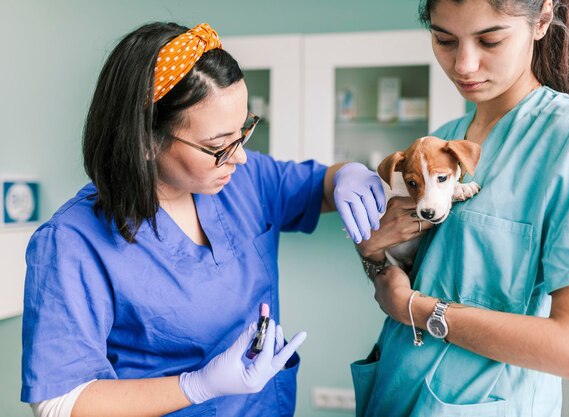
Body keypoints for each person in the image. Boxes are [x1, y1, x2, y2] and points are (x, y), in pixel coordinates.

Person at [20, 22, 385, 417]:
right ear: (145, 140)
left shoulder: (242, 179)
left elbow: (320, 185)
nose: (241, 156)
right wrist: (196, 386)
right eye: (218, 146)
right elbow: (60, 402)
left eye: (243, 132)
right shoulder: (73, 242)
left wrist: (348, 174)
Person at [349, 1, 569, 416]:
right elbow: (407, 277)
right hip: (396, 389)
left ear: (543, 20)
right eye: (444, 40)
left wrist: (418, 309)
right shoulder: (443, 142)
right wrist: (373, 255)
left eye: (490, 39)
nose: (464, 64)